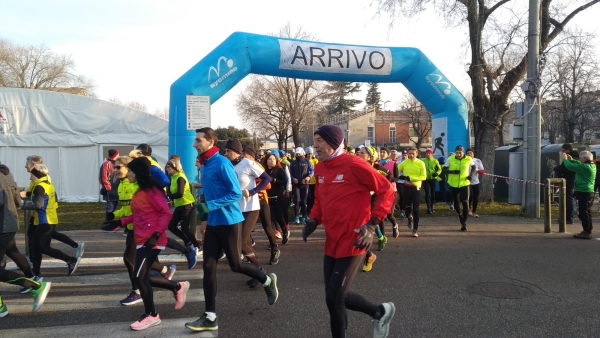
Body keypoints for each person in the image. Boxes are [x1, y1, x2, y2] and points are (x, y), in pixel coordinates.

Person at [303, 124, 396, 338]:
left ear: (334, 143)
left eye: (319, 141)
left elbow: (386, 190)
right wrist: (313, 220)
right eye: (314, 140)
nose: (314, 145)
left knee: (335, 296)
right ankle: (380, 312)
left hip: (356, 238)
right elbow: (320, 199)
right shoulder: (320, 167)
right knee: (333, 296)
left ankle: (379, 312)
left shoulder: (354, 164)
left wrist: (372, 224)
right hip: (332, 240)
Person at [185, 127, 279, 332]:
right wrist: (205, 218)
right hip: (214, 223)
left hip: (230, 222)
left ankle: (266, 279)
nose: (194, 144)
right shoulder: (205, 165)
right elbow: (209, 195)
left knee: (236, 265)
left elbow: (235, 193)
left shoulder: (221, 163)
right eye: (195, 140)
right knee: (208, 268)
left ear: (211, 142)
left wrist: (211, 206)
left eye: (198, 140)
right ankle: (210, 316)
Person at [104, 157, 190, 330]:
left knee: (138, 277)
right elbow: (140, 215)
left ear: (138, 173)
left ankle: (152, 314)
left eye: (130, 171)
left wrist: (157, 234)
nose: (127, 173)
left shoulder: (152, 192)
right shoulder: (140, 191)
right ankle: (177, 286)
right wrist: (118, 222)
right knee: (141, 277)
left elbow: (166, 214)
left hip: (152, 239)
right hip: (142, 237)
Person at [0, 172, 51, 317]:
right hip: (8, 224)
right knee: (13, 251)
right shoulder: (5, 173)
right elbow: (16, 197)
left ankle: (36, 286)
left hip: (3, 226)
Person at [224, 139, 273, 288]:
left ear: (236, 152)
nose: (225, 153)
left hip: (251, 208)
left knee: (242, 242)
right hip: (236, 210)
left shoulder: (248, 163)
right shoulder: (227, 166)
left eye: (228, 151)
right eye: (225, 151)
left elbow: (267, 179)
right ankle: (259, 271)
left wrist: (252, 191)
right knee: (239, 243)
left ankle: (259, 271)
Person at [22, 164, 82, 277]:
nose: (30, 178)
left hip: (45, 221)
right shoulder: (46, 184)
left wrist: (22, 207)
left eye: (31, 175)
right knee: (35, 248)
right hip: (47, 220)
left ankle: (70, 260)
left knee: (44, 248)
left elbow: (39, 205)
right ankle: (36, 274)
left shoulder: (40, 186)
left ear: (36, 176)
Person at [243, 146, 280, 264]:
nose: (242, 156)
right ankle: (250, 254)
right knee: (246, 230)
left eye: (244, 154)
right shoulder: (241, 166)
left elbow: (268, 184)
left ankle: (275, 250)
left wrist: (254, 187)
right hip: (247, 202)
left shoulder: (256, 166)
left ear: (249, 155)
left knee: (267, 226)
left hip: (261, 200)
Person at [165, 158, 201, 268]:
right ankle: (188, 242)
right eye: (166, 166)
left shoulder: (180, 177)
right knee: (171, 226)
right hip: (180, 205)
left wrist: (168, 197)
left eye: (169, 166)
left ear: (175, 167)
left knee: (185, 228)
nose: (167, 168)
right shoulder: (173, 177)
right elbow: (171, 191)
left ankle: (196, 246)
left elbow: (180, 193)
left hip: (187, 204)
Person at [562, 150, 596, 239]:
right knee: (587, 211)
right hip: (589, 191)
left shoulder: (585, 167)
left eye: (580, 158)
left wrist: (565, 160)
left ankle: (586, 231)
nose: (580, 159)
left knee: (582, 212)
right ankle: (588, 229)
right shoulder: (591, 166)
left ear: (584, 159)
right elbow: (578, 165)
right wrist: (572, 159)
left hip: (583, 191)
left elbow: (570, 167)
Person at [396, 147, 427, 237]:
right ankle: (409, 218)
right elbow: (396, 170)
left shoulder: (421, 163)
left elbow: (424, 177)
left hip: (416, 188)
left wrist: (411, 178)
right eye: (410, 153)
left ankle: (415, 229)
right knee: (407, 209)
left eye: (413, 153)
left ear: (416, 154)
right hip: (406, 188)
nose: (411, 155)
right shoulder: (404, 163)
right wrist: (398, 176)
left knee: (416, 209)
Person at [444, 145, 475, 231]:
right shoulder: (450, 159)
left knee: (465, 202)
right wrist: (452, 171)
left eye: (460, 153)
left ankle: (464, 222)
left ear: (463, 152)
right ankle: (460, 215)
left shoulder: (468, 159)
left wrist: (471, 175)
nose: (458, 154)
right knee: (456, 203)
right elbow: (444, 169)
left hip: (464, 183)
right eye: (457, 153)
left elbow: (474, 167)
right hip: (453, 184)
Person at [264, 152, 290, 246]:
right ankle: (273, 239)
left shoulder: (279, 170)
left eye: (274, 159)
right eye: (270, 159)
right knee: (270, 218)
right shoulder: (264, 171)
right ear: (266, 161)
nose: (272, 161)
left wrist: (275, 180)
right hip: (268, 198)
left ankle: (285, 231)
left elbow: (285, 181)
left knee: (279, 216)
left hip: (279, 197)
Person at [290, 147, 314, 225]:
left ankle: (304, 217)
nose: (298, 155)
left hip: (305, 183)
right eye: (297, 153)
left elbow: (312, 170)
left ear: (303, 153)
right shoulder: (293, 163)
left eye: (299, 153)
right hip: (296, 184)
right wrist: (293, 179)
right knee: (297, 200)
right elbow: (290, 173)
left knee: (304, 201)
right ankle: (296, 217)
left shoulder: (307, 161)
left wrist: (309, 176)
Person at [553, 144, 576, 224]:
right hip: (566, 180)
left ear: (568, 150)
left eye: (563, 151)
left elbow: (567, 168)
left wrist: (556, 168)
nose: (562, 153)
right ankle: (565, 217)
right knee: (565, 199)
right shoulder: (570, 157)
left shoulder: (571, 157)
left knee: (568, 199)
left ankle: (569, 218)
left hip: (568, 181)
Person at [99, 149, 120, 227]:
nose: (119, 156)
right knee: (110, 206)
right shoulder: (107, 164)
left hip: (116, 189)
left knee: (114, 205)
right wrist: (108, 188)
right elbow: (103, 177)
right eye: (117, 154)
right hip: (110, 189)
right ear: (114, 155)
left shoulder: (115, 163)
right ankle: (107, 222)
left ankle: (110, 221)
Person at [466, 148, 485, 218]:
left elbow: (482, 171)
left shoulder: (477, 160)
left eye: (470, 153)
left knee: (476, 197)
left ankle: (474, 211)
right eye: (467, 153)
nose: (469, 154)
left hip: (476, 181)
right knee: (470, 196)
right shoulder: (464, 161)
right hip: (467, 182)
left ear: (473, 154)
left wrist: (479, 171)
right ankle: (468, 210)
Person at [422, 149, 442, 214]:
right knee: (427, 193)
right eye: (427, 153)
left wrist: (437, 173)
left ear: (431, 154)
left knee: (432, 192)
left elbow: (439, 169)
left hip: (433, 178)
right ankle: (428, 207)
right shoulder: (423, 161)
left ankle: (432, 206)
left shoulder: (435, 161)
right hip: (425, 179)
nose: (428, 154)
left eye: (429, 153)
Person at [306, 146, 319, 216]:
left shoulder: (315, 161)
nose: (309, 155)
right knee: (309, 198)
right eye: (308, 154)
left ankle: (313, 211)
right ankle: (308, 211)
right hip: (307, 182)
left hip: (314, 182)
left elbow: (318, 169)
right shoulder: (305, 160)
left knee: (314, 197)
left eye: (310, 154)